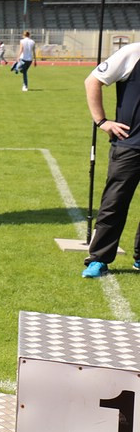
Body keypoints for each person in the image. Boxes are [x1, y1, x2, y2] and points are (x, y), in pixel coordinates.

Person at [83, 42, 140, 278]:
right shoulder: (133, 52)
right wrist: (102, 121)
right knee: (114, 204)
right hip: (130, 145)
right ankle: (99, 259)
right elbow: (92, 80)